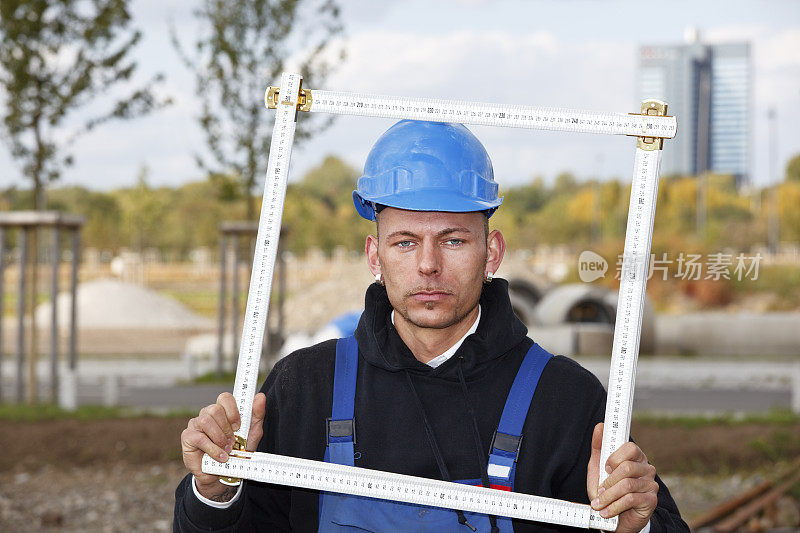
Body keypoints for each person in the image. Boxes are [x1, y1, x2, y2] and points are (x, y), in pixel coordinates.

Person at [174, 120, 689, 532]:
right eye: (404, 242)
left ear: (493, 252)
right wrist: (215, 494)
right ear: (375, 255)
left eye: (453, 240)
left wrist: (636, 526)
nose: (427, 266)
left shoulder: (565, 399)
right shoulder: (304, 387)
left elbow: (655, 524)